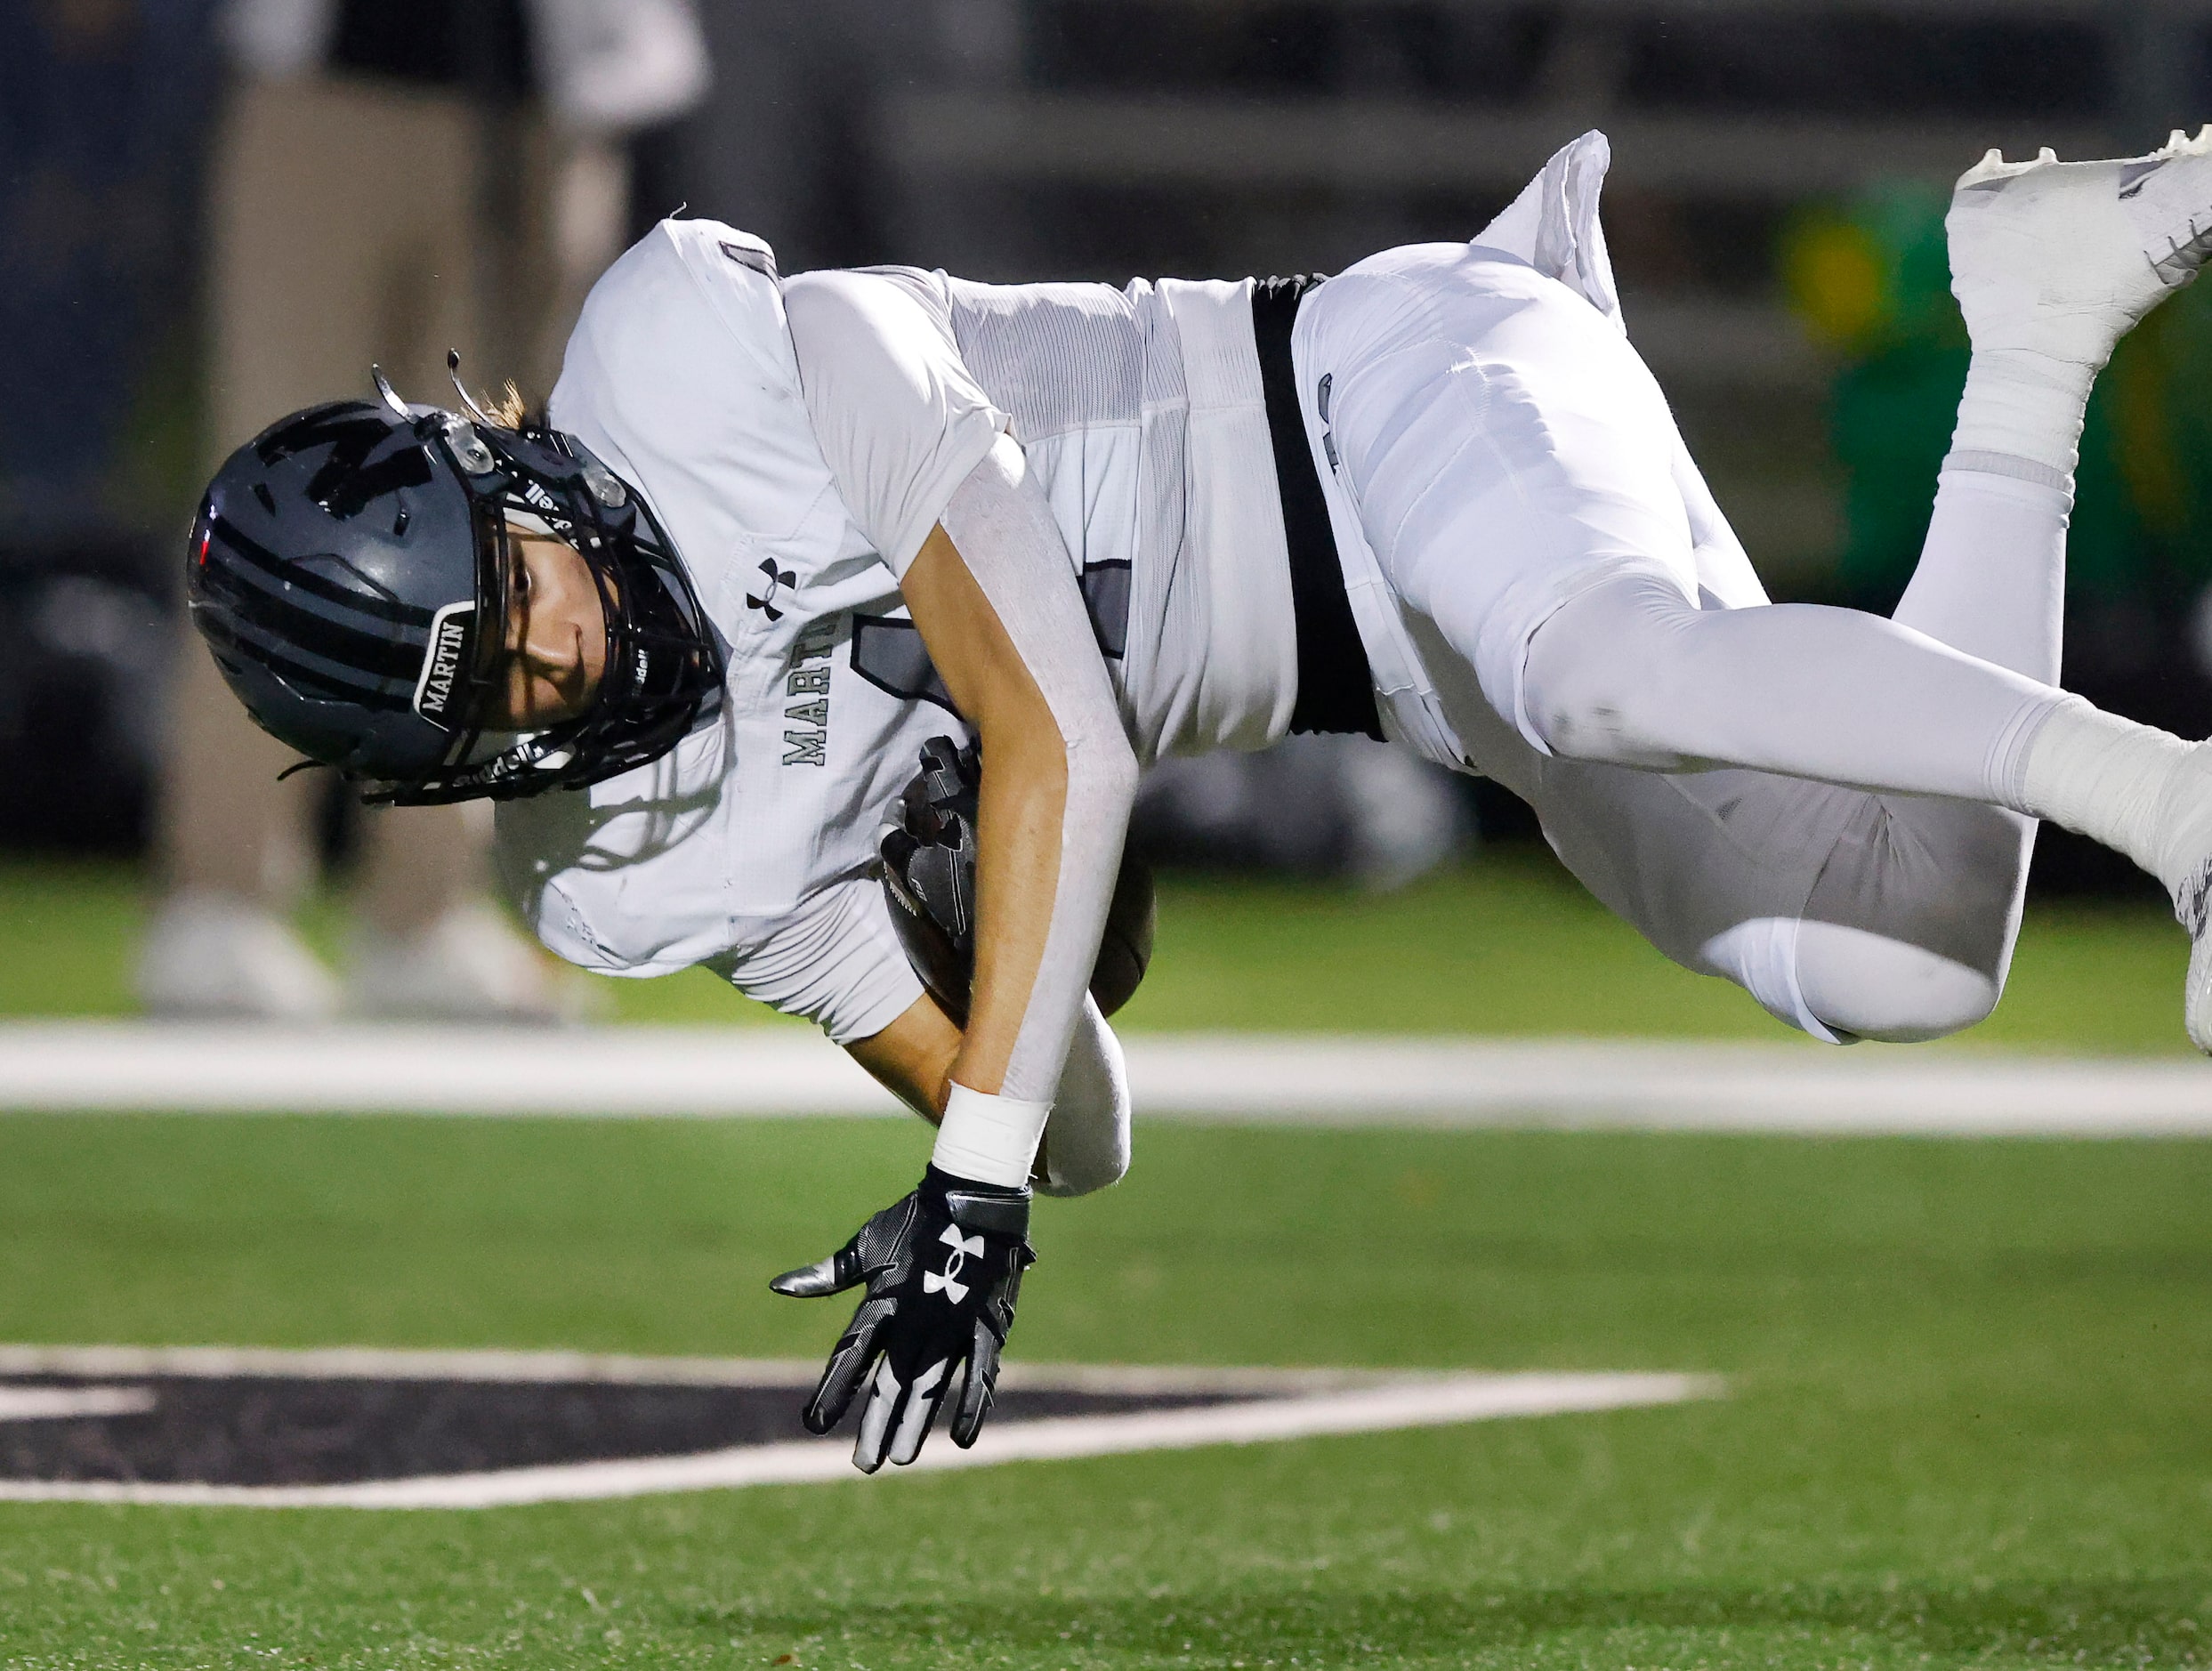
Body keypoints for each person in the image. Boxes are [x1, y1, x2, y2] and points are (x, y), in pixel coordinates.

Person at [182, 128, 2212, 1471]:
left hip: (1379, 391)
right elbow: (1068, 1126)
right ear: (440, 771)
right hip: (1413, 678)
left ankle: (2186, 809)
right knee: (1892, 955)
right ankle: (2033, 336)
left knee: (1601, 668)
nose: (573, 656)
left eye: (516, 591)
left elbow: (1059, 718)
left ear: (498, 462)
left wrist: (968, 1194)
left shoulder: (704, 349)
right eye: (507, 694)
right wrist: (1007, 997)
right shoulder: (612, 876)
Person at [141, 0, 706, 1021]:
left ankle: (424, 905)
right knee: (278, 486)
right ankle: (218, 894)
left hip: (548, 99)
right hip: (329, 87)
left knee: (501, 518)